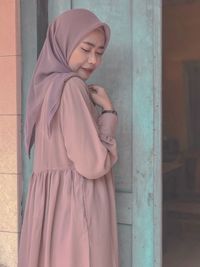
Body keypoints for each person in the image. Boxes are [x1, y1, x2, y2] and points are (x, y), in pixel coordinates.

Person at [18, 8, 120, 267]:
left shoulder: (46, 87)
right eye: (85, 49)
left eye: (99, 52)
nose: (93, 60)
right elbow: (93, 164)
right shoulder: (71, 86)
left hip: (54, 209)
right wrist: (108, 113)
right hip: (77, 207)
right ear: (64, 43)